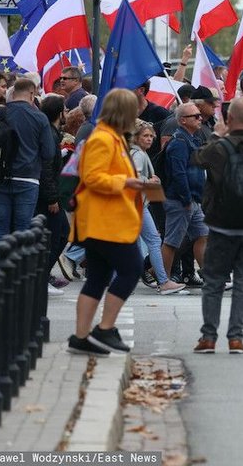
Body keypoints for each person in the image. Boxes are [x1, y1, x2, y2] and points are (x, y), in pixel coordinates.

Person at [66, 88, 150, 356]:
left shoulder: (113, 138)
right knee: (131, 269)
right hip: (104, 221)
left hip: (104, 220)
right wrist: (125, 182)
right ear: (123, 112)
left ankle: (81, 336)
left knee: (98, 278)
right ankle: (104, 328)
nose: (137, 114)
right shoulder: (103, 138)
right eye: (134, 109)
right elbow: (92, 178)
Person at [192, 97, 243, 355]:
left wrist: (217, 135)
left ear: (228, 120)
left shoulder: (218, 148)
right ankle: (236, 338)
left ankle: (208, 337)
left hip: (222, 224)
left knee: (214, 280)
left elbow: (198, 158)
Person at [0, 77, 56, 246]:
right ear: (32, 94)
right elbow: (49, 153)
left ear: (13, 93)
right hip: (27, 178)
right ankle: (18, 271)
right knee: (22, 229)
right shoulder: (39, 118)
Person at [130, 120, 186, 295]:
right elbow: (134, 178)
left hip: (137, 203)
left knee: (134, 243)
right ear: (136, 137)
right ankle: (163, 281)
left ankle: (122, 279)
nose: (149, 139)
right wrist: (150, 181)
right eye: (145, 136)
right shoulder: (138, 155)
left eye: (151, 136)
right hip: (138, 204)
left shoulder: (138, 153)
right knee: (153, 241)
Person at [160, 101, 208, 285]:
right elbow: (178, 173)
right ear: (182, 120)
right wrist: (186, 198)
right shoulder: (179, 142)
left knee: (202, 234)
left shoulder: (192, 139)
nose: (200, 118)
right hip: (180, 200)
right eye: (195, 116)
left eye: (199, 115)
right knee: (172, 241)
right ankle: (164, 280)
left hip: (193, 199)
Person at [37, 95, 71, 295]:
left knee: (60, 234)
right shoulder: (49, 134)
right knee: (58, 234)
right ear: (59, 113)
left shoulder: (51, 132)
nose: (66, 113)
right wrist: (52, 198)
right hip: (49, 196)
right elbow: (47, 168)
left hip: (51, 193)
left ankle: (44, 275)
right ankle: (42, 277)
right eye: (65, 110)